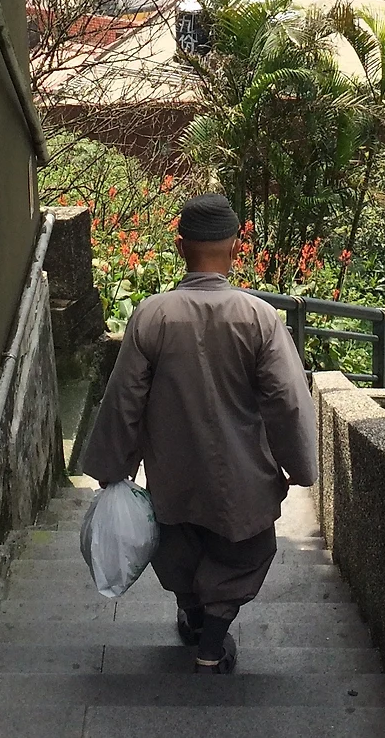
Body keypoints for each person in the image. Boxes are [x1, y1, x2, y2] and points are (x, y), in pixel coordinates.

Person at [82, 193, 318, 674]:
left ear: (180, 246)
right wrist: (299, 465)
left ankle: (192, 616)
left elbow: (124, 400)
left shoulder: (152, 315)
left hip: (173, 474)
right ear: (235, 247)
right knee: (240, 554)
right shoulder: (259, 318)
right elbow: (287, 401)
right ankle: (211, 645)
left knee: (179, 550)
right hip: (243, 478)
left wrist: (112, 466)